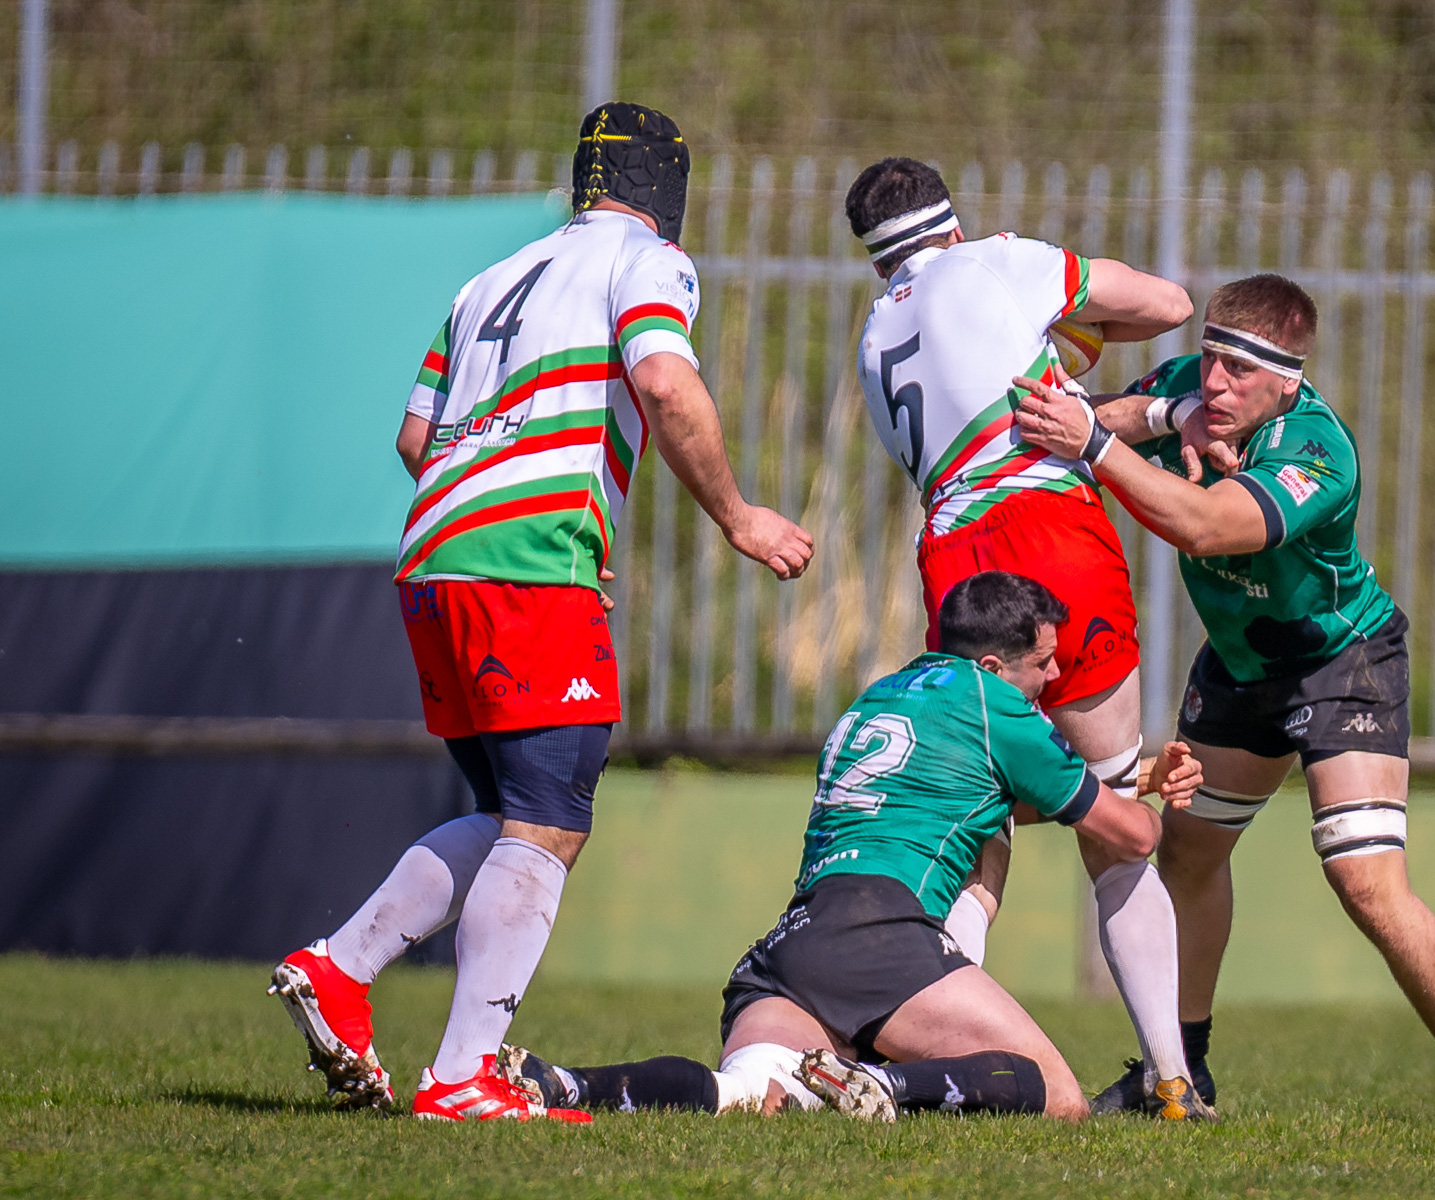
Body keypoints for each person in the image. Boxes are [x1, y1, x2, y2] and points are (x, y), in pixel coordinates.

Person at [268, 102, 814, 1123]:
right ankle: (464, 1074)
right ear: (665, 192)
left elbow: (412, 436)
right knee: (552, 814)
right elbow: (665, 381)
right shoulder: (649, 260)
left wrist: (497, 503)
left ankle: (340, 970)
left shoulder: (488, 279)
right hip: (521, 570)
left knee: (506, 812)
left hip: (433, 554)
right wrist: (738, 518)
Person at [1011, 273, 1435, 1125]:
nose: (1214, 383)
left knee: (1364, 880)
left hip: (1340, 662)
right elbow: (1084, 413)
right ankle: (1180, 1073)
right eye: (1210, 359)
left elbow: (1206, 525)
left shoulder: (1319, 451)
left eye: (1238, 373)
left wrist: (1101, 449)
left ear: (1287, 378)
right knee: (1185, 854)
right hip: (1241, 664)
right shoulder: (1192, 392)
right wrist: (1157, 417)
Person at [494, 571, 1203, 1123]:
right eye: (1043, 664)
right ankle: (882, 1082)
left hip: (793, 944)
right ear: (992, 666)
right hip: (882, 935)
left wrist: (1132, 779)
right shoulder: (996, 705)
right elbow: (1132, 838)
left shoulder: (883, 693)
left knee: (749, 1089)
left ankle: (566, 1083)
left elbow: (965, 800)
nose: (1053, 679)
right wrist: (1153, 792)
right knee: (1056, 1093)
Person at [844, 157, 1209, 1117]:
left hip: (953, 550)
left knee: (980, 821)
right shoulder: (998, 262)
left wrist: (1051, 348)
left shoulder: (876, 334)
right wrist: (1073, 330)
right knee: (1120, 809)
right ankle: (1172, 1080)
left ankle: (926, 1066)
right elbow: (1168, 301)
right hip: (1047, 525)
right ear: (953, 224)